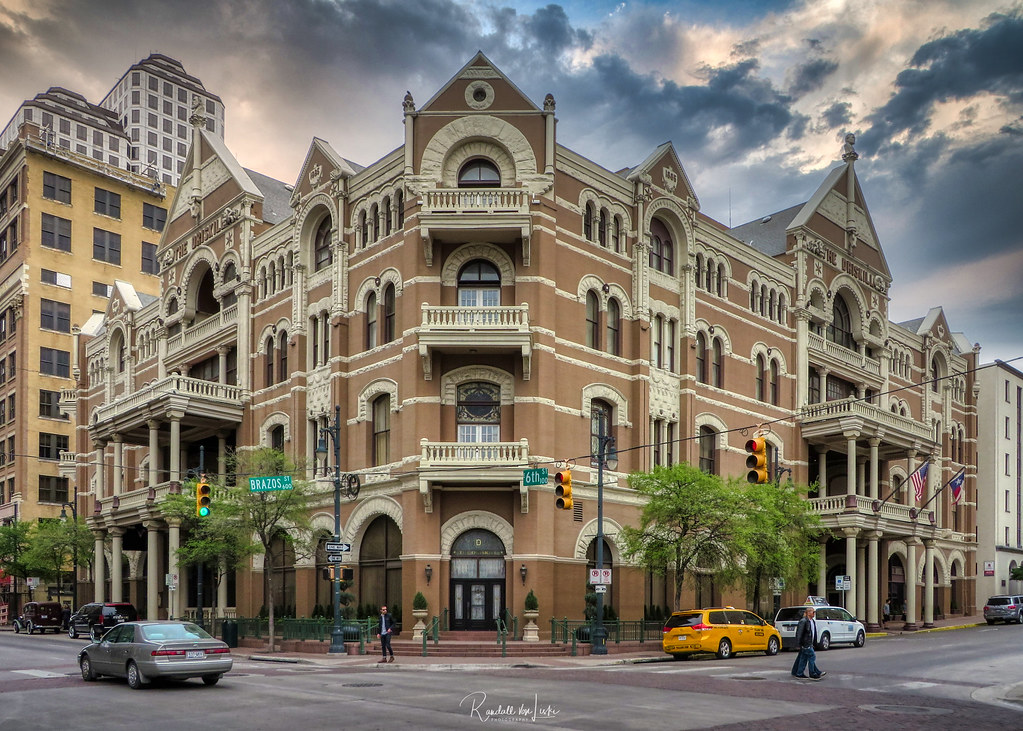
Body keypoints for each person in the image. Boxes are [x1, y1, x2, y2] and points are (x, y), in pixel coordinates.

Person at [791, 606, 826, 680]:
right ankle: (812, 673)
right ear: (809, 613)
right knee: (812, 656)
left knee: (803, 658)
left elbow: (813, 632)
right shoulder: (803, 621)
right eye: (813, 612)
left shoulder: (812, 621)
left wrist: (815, 642)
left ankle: (798, 673)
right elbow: (799, 633)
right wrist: (798, 644)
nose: (814, 614)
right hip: (806, 643)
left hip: (810, 643)